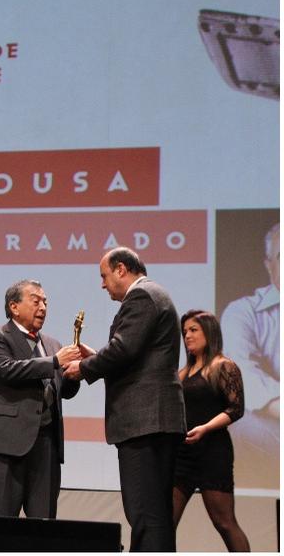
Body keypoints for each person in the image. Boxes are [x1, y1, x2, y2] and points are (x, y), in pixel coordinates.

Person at [62, 247, 186, 552]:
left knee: (145, 512)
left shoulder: (142, 296)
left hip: (146, 421)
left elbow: (124, 350)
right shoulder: (154, 295)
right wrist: (98, 356)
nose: (102, 284)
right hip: (154, 420)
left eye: (104, 276)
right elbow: (132, 351)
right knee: (153, 513)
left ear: (121, 269)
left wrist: (84, 367)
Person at [0, 279, 81, 519]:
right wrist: (55, 362)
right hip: (6, 447)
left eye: (45, 302)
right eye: (36, 301)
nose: (43, 307)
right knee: (0, 528)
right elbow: (7, 370)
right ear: (14, 306)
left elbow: (64, 391)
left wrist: (75, 372)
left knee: (43, 530)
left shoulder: (53, 344)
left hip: (47, 447)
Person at [173, 309, 250, 551]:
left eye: (193, 330)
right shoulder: (183, 373)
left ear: (209, 332)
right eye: (184, 331)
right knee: (165, 522)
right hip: (182, 456)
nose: (187, 336)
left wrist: (205, 428)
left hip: (212, 453)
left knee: (224, 523)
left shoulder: (223, 366)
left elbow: (236, 409)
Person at [221, 223, 279, 489]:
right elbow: (245, 372)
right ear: (269, 265)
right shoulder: (243, 312)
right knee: (242, 421)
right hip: (275, 424)